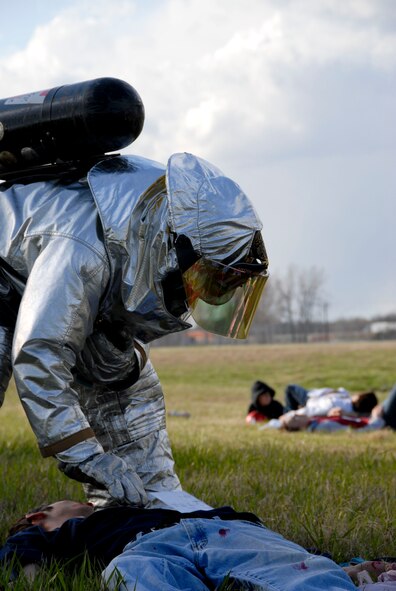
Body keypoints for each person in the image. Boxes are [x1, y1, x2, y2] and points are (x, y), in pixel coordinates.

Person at [0, 152, 269, 508]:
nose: (213, 294)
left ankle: (147, 512)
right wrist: (87, 455)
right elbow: (39, 354)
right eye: (214, 280)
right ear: (182, 252)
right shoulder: (86, 254)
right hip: (6, 279)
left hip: (45, 288)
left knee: (127, 376)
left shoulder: (151, 232)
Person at [0, 499, 356, 590]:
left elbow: (276, 549)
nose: (88, 504)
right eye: (70, 501)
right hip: (143, 549)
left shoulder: (120, 513)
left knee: (303, 573)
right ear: (38, 515)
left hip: (219, 528)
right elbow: (17, 554)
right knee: (127, 572)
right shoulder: (54, 530)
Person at [284, 384, 378, 418]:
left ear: (358, 398)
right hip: (315, 397)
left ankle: (286, 414)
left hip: (310, 400)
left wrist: (293, 414)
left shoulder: (337, 405)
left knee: (290, 388)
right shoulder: (350, 407)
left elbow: (315, 410)